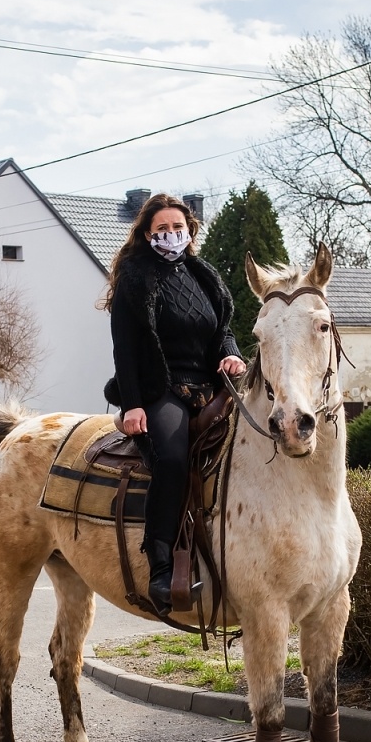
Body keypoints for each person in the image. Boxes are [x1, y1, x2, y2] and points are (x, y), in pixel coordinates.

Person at [102, 193, 246, 613]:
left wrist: (231, 352)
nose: (170, 235)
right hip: (160, 389)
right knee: (173, 459)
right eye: (161, 229)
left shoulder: (203, 275)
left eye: (177, 227)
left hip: (212, 386)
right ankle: (162, 569)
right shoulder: (134, 277)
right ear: (147, 235)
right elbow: (124, 349)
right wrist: (132, 405)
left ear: (190, 230)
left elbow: (222, 330)